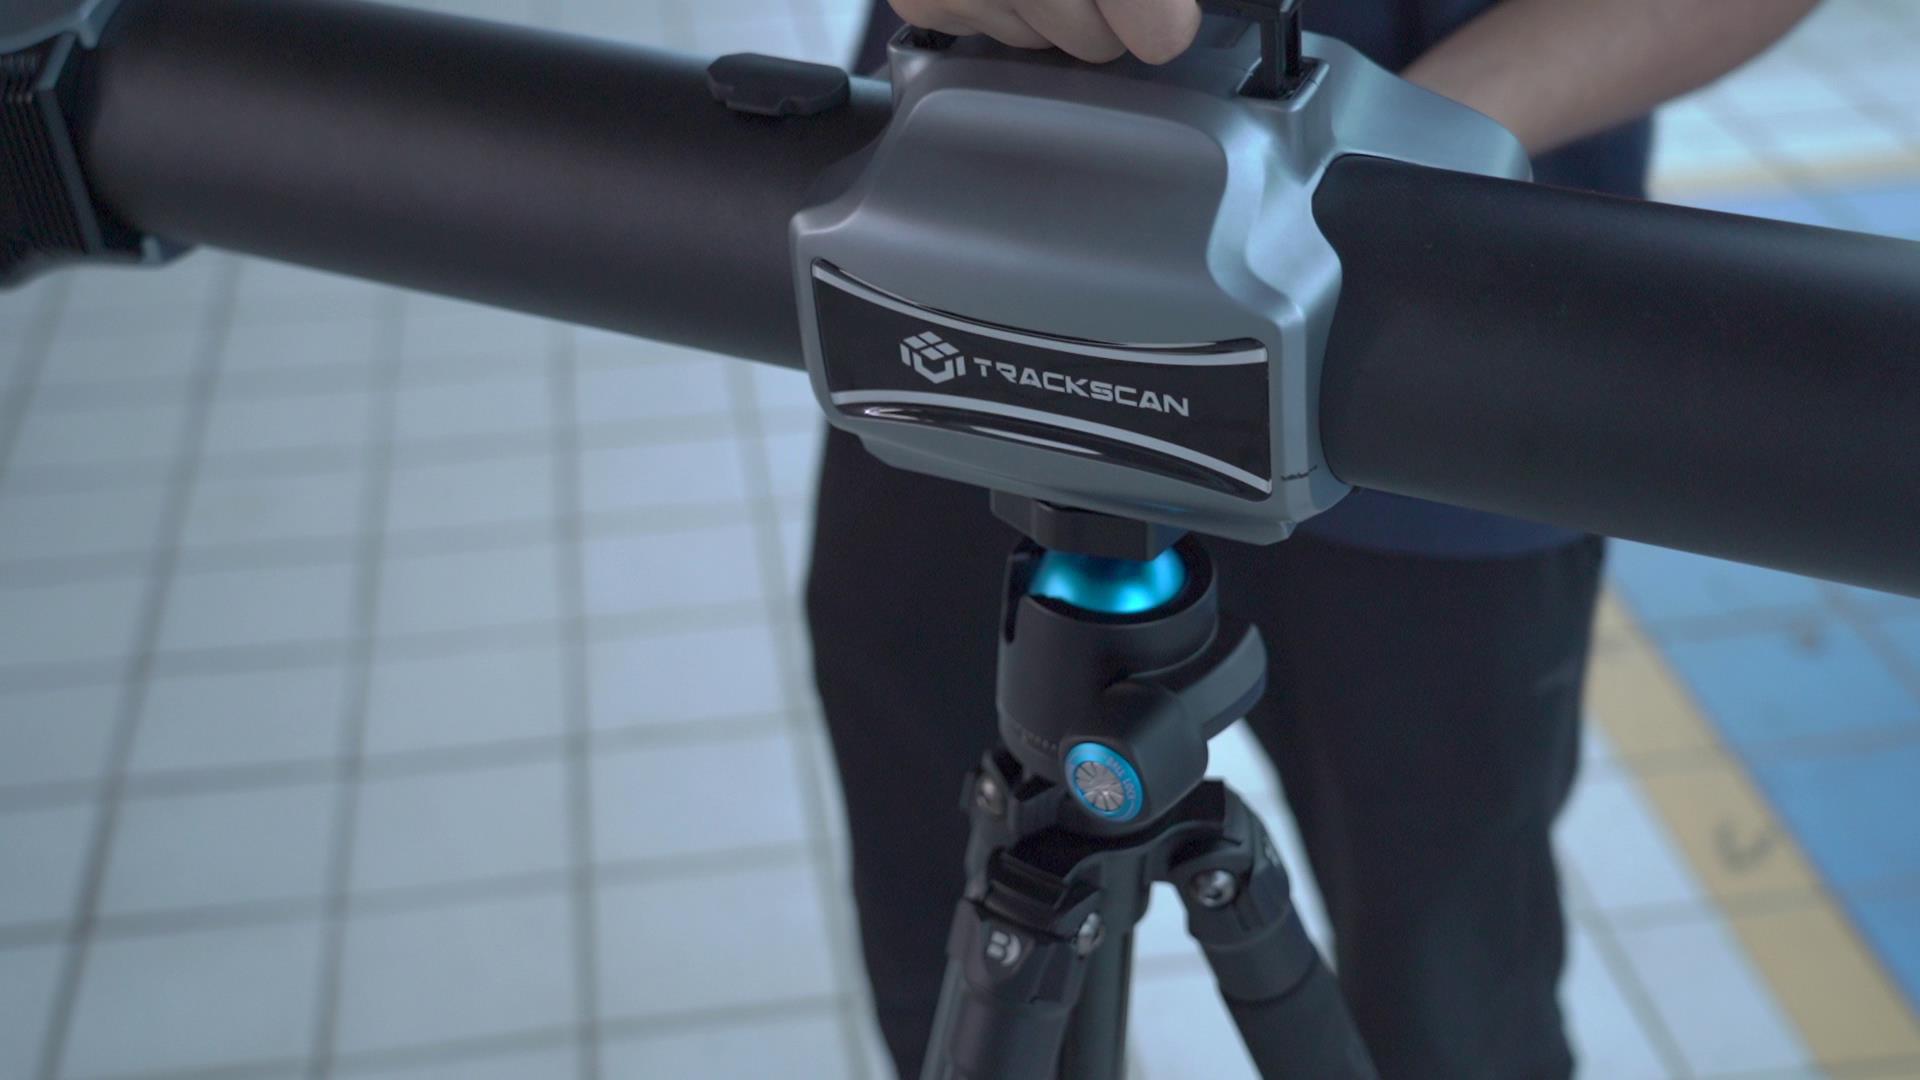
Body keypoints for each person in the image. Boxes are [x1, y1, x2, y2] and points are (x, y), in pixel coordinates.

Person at [806, 2, 1818, 1077]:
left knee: (1448, 1011)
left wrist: (1376, 144)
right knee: (943, 935)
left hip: (1429, 349)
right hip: (967, 268)